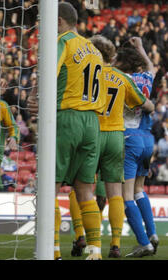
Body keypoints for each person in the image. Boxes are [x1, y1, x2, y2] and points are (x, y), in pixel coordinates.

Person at [28, 2, 106, 260]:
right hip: (92, 123)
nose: (41, 27)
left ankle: (54, 252)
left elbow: (48, 70)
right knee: (85, 191)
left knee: (49, 186)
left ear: (58, 21)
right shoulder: (94, 49)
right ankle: (95, 252)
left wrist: (34, 97)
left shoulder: (62, 41)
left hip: (67, 117)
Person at [68, 35, 153, 258]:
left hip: (92, 133)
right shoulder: (121, 77)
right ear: (111, 55)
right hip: (117, 136)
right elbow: (147, 104)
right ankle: (115, 244)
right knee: (116, 193)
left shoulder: (84, 74)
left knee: (80, 188)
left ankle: (81, 237)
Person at [115, 37, 159, 257]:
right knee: (139, 189)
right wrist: (141, 47)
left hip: (129, 138)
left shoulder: (123, 79)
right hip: (147, 138)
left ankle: (144, 243)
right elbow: (151, 66)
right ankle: (152, 234)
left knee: (127, 196)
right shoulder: (145, 77)